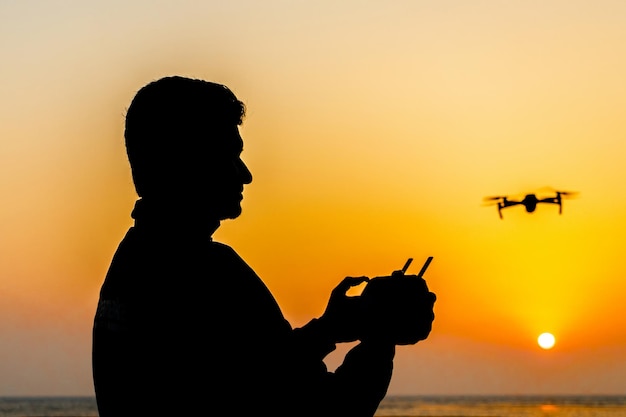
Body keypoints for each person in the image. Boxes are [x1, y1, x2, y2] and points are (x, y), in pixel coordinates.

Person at [92, 75, 436, 417]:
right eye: (230, 154)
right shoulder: (207, 272)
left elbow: (250, 373)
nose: (245, 174)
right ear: (187, 160)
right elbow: (328, 412)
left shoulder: (134, 261)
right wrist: (382, 337)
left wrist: (328, 329)